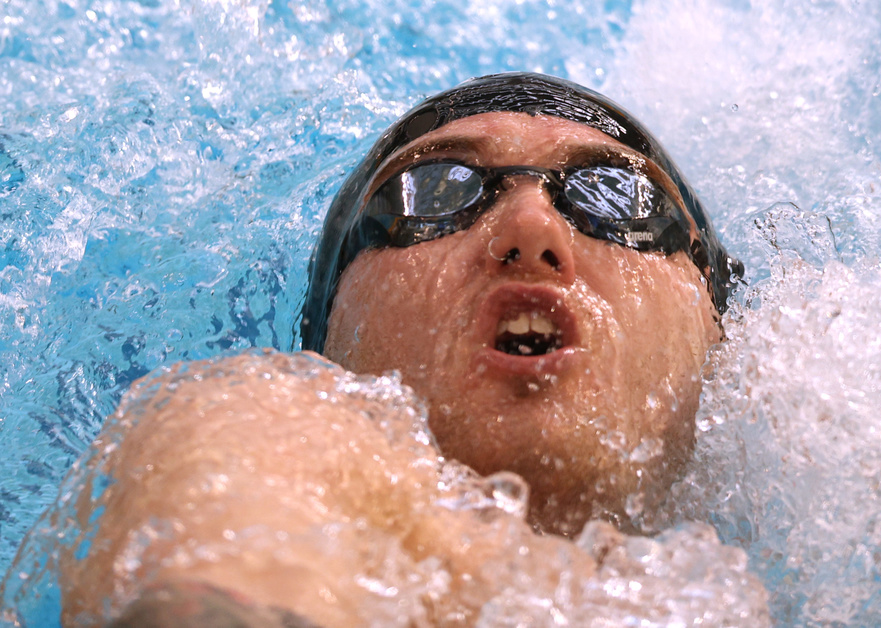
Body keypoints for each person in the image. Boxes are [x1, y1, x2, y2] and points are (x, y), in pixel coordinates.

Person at [50, 73, 747, 626]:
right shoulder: (272, 420)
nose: (531, 230)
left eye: (616, 196)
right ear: (326, 337)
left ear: (718, 327)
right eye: (435, 189)